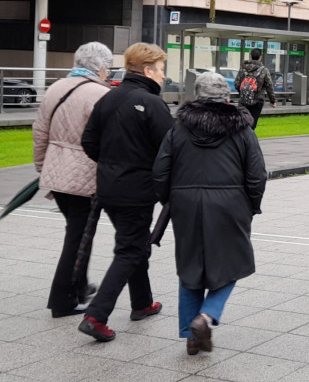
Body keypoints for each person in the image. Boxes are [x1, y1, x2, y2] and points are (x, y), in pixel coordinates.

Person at [153, 72, 267, 355]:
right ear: (227, 96)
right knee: (233, 263)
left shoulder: (178, 129)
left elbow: (160, 171)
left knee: (190, 266)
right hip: (230, 204)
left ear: (196, 95)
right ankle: (205, 317)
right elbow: (256, 175)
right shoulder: (242, 130)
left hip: (185, 203)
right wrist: (251, 206)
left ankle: (192, 337)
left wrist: (171, 199)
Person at [78, 43, 174, 342]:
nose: (162, 75)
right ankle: (96, 315)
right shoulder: (152, 104)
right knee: (130, 250)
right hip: (138, 190)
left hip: (109, 187)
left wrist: (112, 165)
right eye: (160, 69)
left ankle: (142, 303)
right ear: (147, 70)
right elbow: (170, 150)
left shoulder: (108, 98)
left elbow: (89, 142)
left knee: (134, 245)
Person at [33, 42, 113, 318]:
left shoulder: (55, 88)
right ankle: (62, 299)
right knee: (78, 237)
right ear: (101, 67)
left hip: (56, 171)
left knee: (78, 232)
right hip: (85, 174)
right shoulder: (102, 93)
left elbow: (40, 132)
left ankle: (79, 286)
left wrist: (42, 168)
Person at [234, 48, 276, 130]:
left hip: (243, 100)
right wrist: (273, 101)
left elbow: (237, 83)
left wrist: (244, 92)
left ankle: (242, 139)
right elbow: (269, 86)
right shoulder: (264, 70)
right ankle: (249, 140)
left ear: (251, 56)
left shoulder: (243, 68)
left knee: (243, 122)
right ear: (260, 57)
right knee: (252, 123)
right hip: (257, 100)